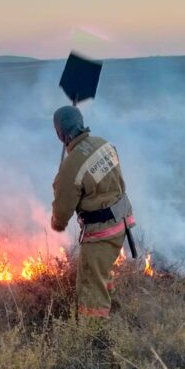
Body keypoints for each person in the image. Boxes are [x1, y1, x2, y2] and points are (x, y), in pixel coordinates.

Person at [50, 106, 135, 319]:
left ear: (60, 133)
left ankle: (94, 339)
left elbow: (62, 211)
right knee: (101, 274)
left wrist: (57, 223)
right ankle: (110, 312)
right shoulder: (104, 145)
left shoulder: (71, 166)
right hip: (122, 222)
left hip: (101, 234)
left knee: (90, 288)